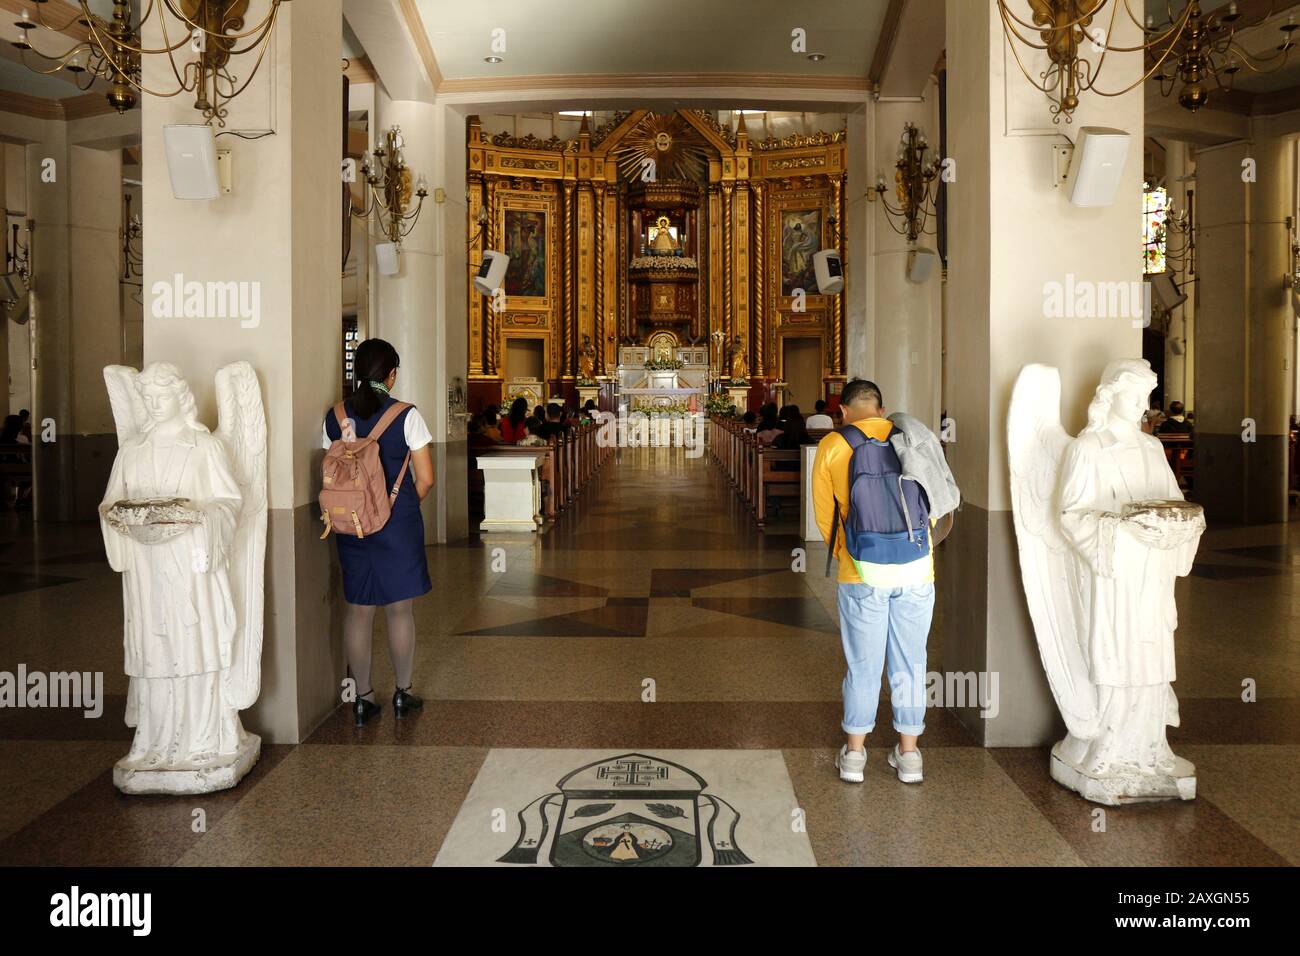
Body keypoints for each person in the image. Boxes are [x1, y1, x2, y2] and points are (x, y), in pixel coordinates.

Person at [812, 378, 949, 786]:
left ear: (843, 411)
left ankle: (854, 756)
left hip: (861, 570)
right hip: (915, 569)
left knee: (863, 664)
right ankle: (909, 756)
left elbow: (826, 517)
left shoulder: (834, 445)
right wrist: (915, 547)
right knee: (911, 661)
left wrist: (847, 557)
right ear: (882, 409)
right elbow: (935, 504)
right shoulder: (912, 438)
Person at [321, 339, 435, 727]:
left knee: (359, 610)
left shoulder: (335, 417)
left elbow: (331, 470)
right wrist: (396, 508)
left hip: (349, 523)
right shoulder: (407, 415)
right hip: (396, 522)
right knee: (400, 608)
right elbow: (427, 479)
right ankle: (403, 693)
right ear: (392, 375)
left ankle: (363, 698)